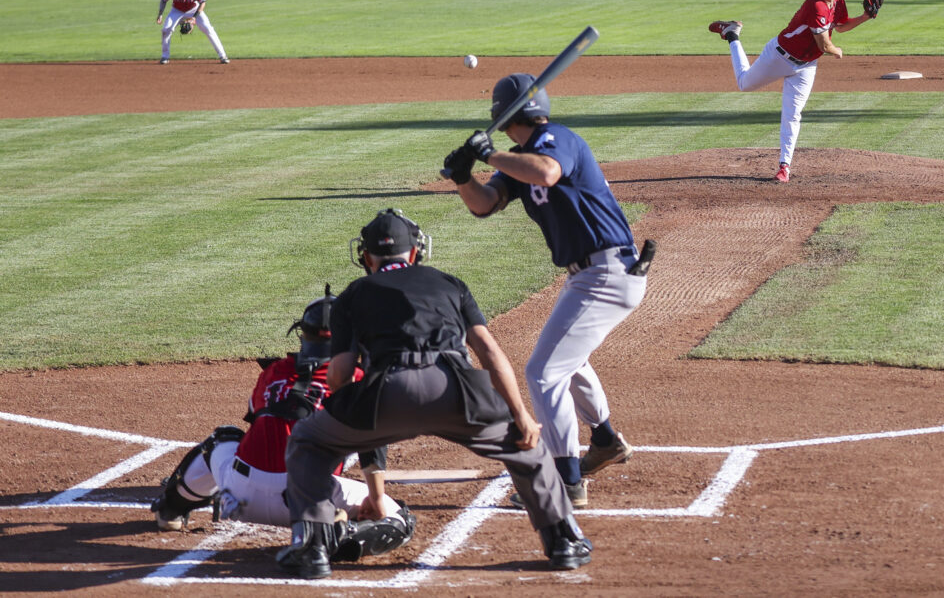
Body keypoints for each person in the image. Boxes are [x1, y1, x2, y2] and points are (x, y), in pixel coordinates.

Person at [276, 209, 592, 580]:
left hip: (386, 395)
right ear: (414, 253)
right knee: (528, 449)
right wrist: (520, 414)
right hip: (458, 391)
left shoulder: (354, 293)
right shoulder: (449, 283)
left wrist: (346, 416)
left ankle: (312, 547)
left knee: (308, 442)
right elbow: (489, 352)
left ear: (366, 257)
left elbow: (342, 372)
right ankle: (563, 542)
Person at [442, 75, 651, 509]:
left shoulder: (558, 140)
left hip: (607, 272)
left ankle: (566, 482)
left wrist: (487, 153)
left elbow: (548, 172)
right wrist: (464, 176)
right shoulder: (518, 159)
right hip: (589, 276)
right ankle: (607, 442)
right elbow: (484, 205)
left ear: (503, 114)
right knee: (567, 362)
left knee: (542, 372)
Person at [149, 287, 415, 562]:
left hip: (241, 498)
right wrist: (376, 496)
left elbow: (263, 423)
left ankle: (169, 509)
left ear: (303, 336)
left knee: (223, 439)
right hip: (308, 502)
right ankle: (340, 535)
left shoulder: (273, 372)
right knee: (399, 519)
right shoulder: (357, 378)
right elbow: (371, 446)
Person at [709, 0, 877, 182]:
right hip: (779, 57)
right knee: (744, 84)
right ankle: (732, 34)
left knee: (793, 114)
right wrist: (837, 51)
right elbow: (824, 45)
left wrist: (866, 16)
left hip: (806, 66)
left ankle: (784, 167)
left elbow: (841, 25)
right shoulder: (815, 6)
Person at [155, 0, 229, 65]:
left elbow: (203, 2)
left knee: (208, 29)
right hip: (177, 10)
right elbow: (164, 0)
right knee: (166, 30)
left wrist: (194, 18)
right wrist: (160, 14)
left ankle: (223, 56)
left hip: (193, 9)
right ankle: (165, 57)